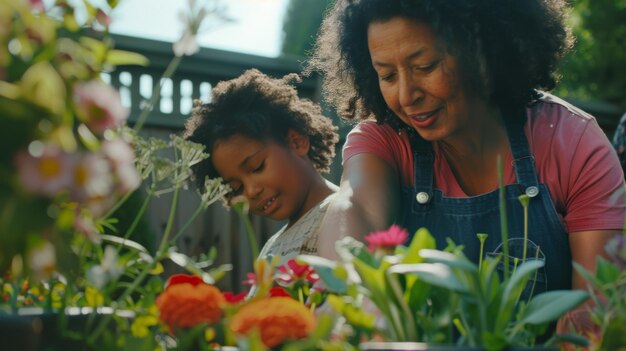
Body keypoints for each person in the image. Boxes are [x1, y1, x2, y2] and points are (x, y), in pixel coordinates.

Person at [306, 0, 625, 298]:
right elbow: (354, 206)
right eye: (387, 75)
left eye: (425, 66)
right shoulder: (382, 142)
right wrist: (360, 298)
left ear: (482, 49)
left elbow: (597, 312)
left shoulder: (574, 143)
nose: (406, 96)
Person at [184, 69, 339, 266]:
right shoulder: (270, 249)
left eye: (257, 167)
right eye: (236, 188)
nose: (251, 191)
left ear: (296, 142)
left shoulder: (343, 210)